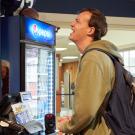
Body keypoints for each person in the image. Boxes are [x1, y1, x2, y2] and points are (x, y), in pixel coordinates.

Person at [58, 8, 123, 135]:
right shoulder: (105, 56)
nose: (72, 24)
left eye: (77, 21)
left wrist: (66, 126)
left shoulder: (93, 58)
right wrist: (76, 120)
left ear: (90, 30)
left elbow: (86, 111)